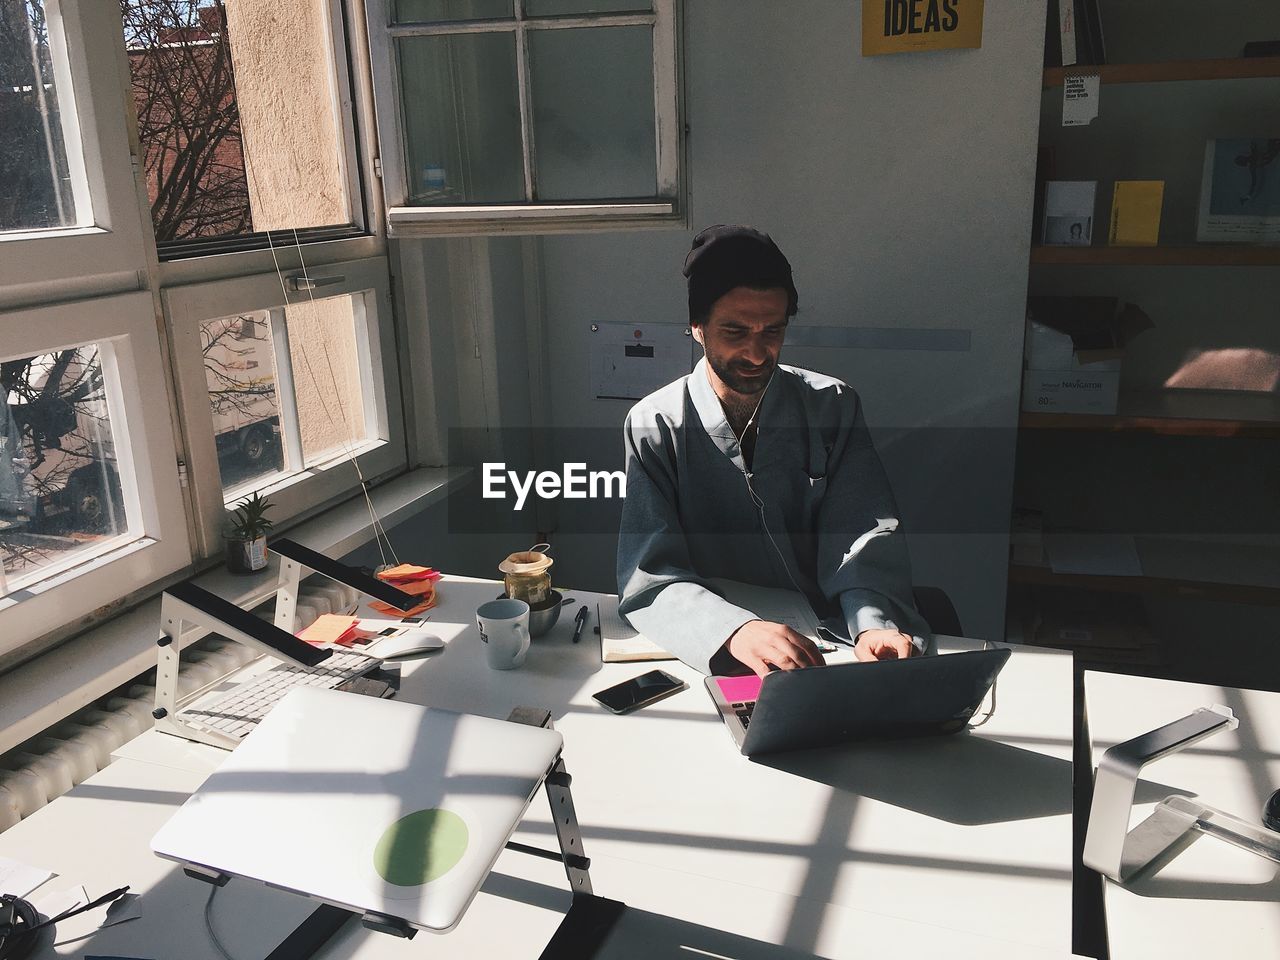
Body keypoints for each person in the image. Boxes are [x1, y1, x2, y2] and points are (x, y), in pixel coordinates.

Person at [616, 225, 932, 678]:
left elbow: (863, 534)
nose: (757, 352)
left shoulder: (832, 406)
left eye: (773, 331)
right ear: (697, 328)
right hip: (722, 646)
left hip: (832, 642)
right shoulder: (656, 426)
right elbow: (649, 575)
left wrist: (873, 625)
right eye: (735, 330)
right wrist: (733, 630)